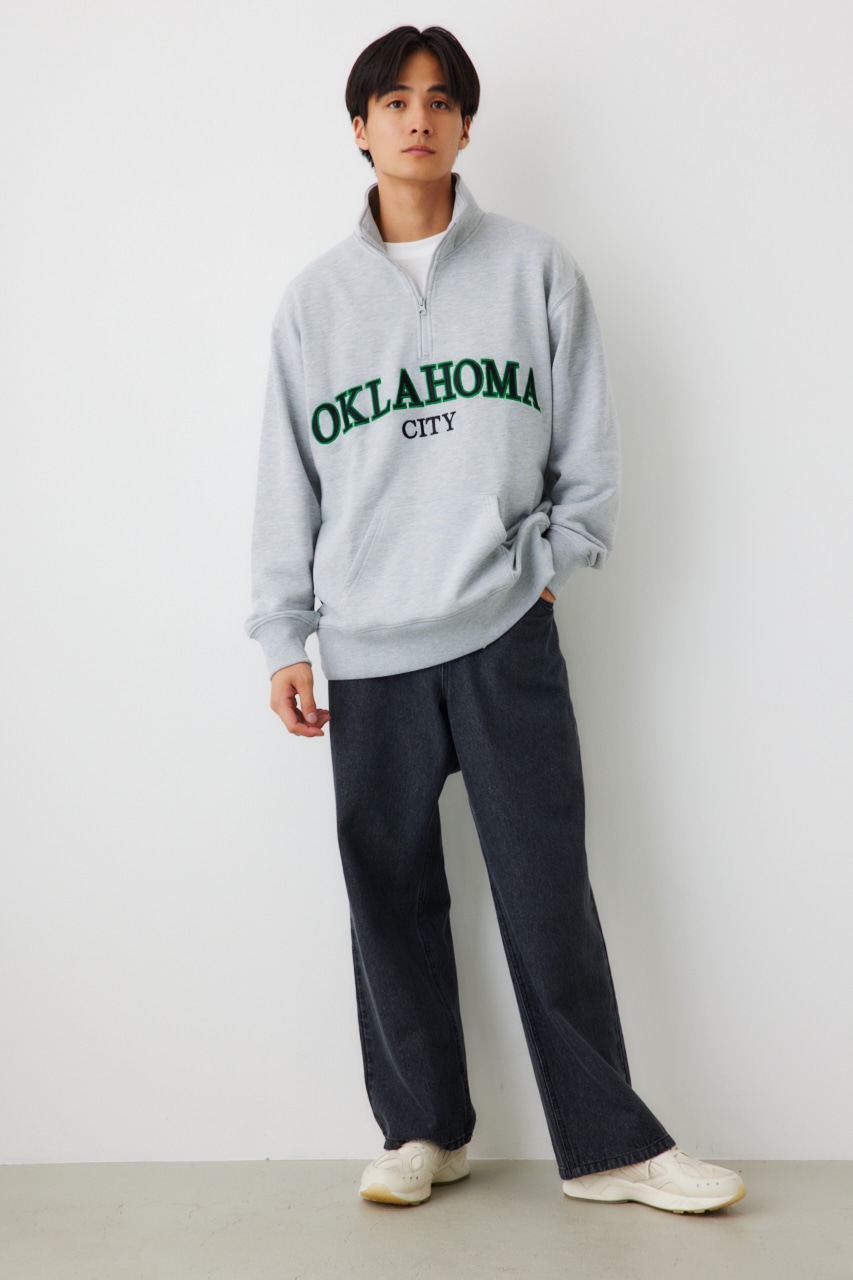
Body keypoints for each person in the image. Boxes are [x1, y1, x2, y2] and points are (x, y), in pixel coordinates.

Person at [244, 25, 747, 1215]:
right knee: (389, 895)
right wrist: (282, 635)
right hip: (367, 647)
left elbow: (589, 446)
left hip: (504, 630)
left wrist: (552, 564)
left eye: (439, 99)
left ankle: (608, 1146)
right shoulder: (314, 304)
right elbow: (286, 481)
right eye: (392, 100)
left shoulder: (535, 269)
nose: (416, 117)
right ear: (359, 127)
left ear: (466, 125)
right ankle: (422, 1129)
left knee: (544, 889)